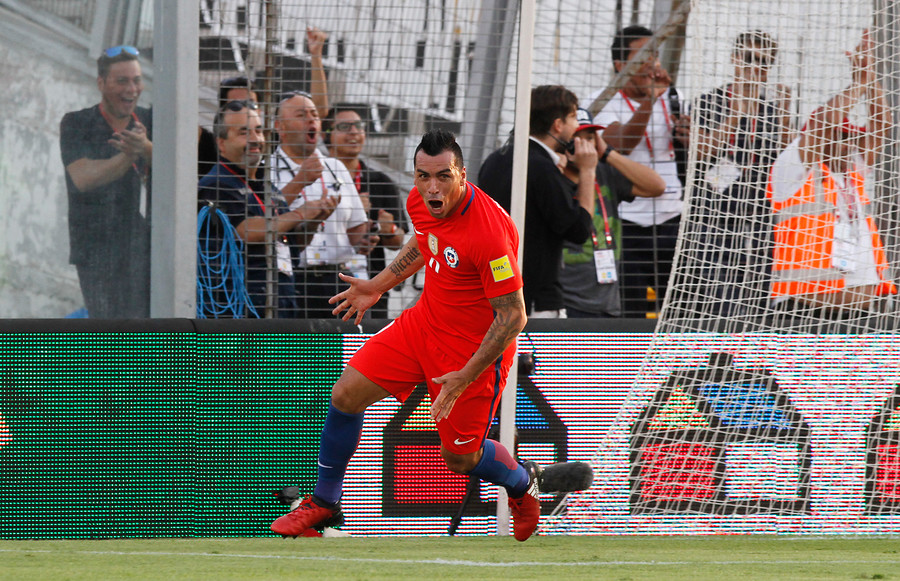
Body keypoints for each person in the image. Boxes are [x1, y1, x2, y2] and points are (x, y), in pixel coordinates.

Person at [270, 129, 540, 541]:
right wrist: (377, 285)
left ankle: (521, 483)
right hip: (422, 325)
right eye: (423, 176)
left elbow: (513, 316)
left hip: (470, 352)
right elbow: (425, 242)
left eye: (443, 176)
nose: (432, 188)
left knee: (461, 458)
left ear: (462, 174)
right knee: (345, 394)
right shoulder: (419, 200)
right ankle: (324, 502)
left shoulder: (489, 233)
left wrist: (465, 375)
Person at [768, 29, 896, 314]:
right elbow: (824, 121)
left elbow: (883, 125)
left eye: (852, 137)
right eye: (843, 136)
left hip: (862, 315)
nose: (850, 143)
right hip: (802, 312)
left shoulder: (852, 174)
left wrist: (869, 76)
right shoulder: (794, 168)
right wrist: (858, 83)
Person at [198, 100, 338, 317]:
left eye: (258, 130)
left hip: (281, 302)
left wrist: (313, 221)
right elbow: (245, 230)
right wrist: (300, 213)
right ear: (221, 143)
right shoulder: (216, 184)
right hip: (239, 309)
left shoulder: (266, 185)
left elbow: (292, 243)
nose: (255, 139)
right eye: (244, 132)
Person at [586, 25, 689, 317]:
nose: (652, 63)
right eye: (643, 56)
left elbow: (694, 153)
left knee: (680, 309)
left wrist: (690, 137)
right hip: (627, 221)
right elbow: (622, 144)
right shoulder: (602, 101)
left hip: (672, 218)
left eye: (654, 55)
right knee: (631, 312)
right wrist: (649, 101)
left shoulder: (674, 96)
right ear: (620, 65)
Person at [693, 31, 793, 317]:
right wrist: (735, 116)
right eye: (749, 58)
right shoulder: (710, 101)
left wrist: (785, 115)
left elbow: (788, 158)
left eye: (763, 62)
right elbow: (701, 152)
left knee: (761, 285)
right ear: (734, 59)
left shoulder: (771, 108)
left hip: (761, 208)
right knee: (720, 288)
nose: (755, 67)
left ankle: (755, 341)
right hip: (716, 209)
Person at [478, 85, 597, 318]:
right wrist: (588, 171)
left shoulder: (495, 160)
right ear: (557, 125)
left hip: (494, 291)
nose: (577, 127)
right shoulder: (541, 168)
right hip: (535, 301)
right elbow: (579, 229)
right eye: (573, 117)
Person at [60, 45, 153, 318]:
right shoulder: (78, 123)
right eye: (122, 81)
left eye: (136, 80)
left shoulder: (150, 120)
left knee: (149, 324)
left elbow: (179, 167)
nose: (131, 89)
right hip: (95, 248)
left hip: (141, 243)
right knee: (109, 328)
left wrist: (146, 147)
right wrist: (129, 156)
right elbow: (83, 178)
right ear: (101, 83)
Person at [270, 92, 377, 318]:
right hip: (292, 281)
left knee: (351, 342)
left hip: (339, 282)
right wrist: (300, 181)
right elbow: (264, 219)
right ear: (280, 126)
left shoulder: (335, 168)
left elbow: (356, 228)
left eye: (314, 115)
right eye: (301, 115)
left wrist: (366, 238)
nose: (311, 119)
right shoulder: (267, 170)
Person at [560, 109, 665, 318]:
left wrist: (608, 153)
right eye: (577, 139)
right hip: (567, 301)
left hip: (606, 300)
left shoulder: (604, 172)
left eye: (590, 138)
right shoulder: (553, 176)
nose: (585, 146)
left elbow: (656, 186)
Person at [323, 106, 407, 318]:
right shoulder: (315, 177)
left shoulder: (381, 181)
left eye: (359, 126)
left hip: (370, 287)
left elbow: (398, 239)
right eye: (344, 126)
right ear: (327, 135)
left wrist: (389, 229)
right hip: (321, 283)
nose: (354, 132)